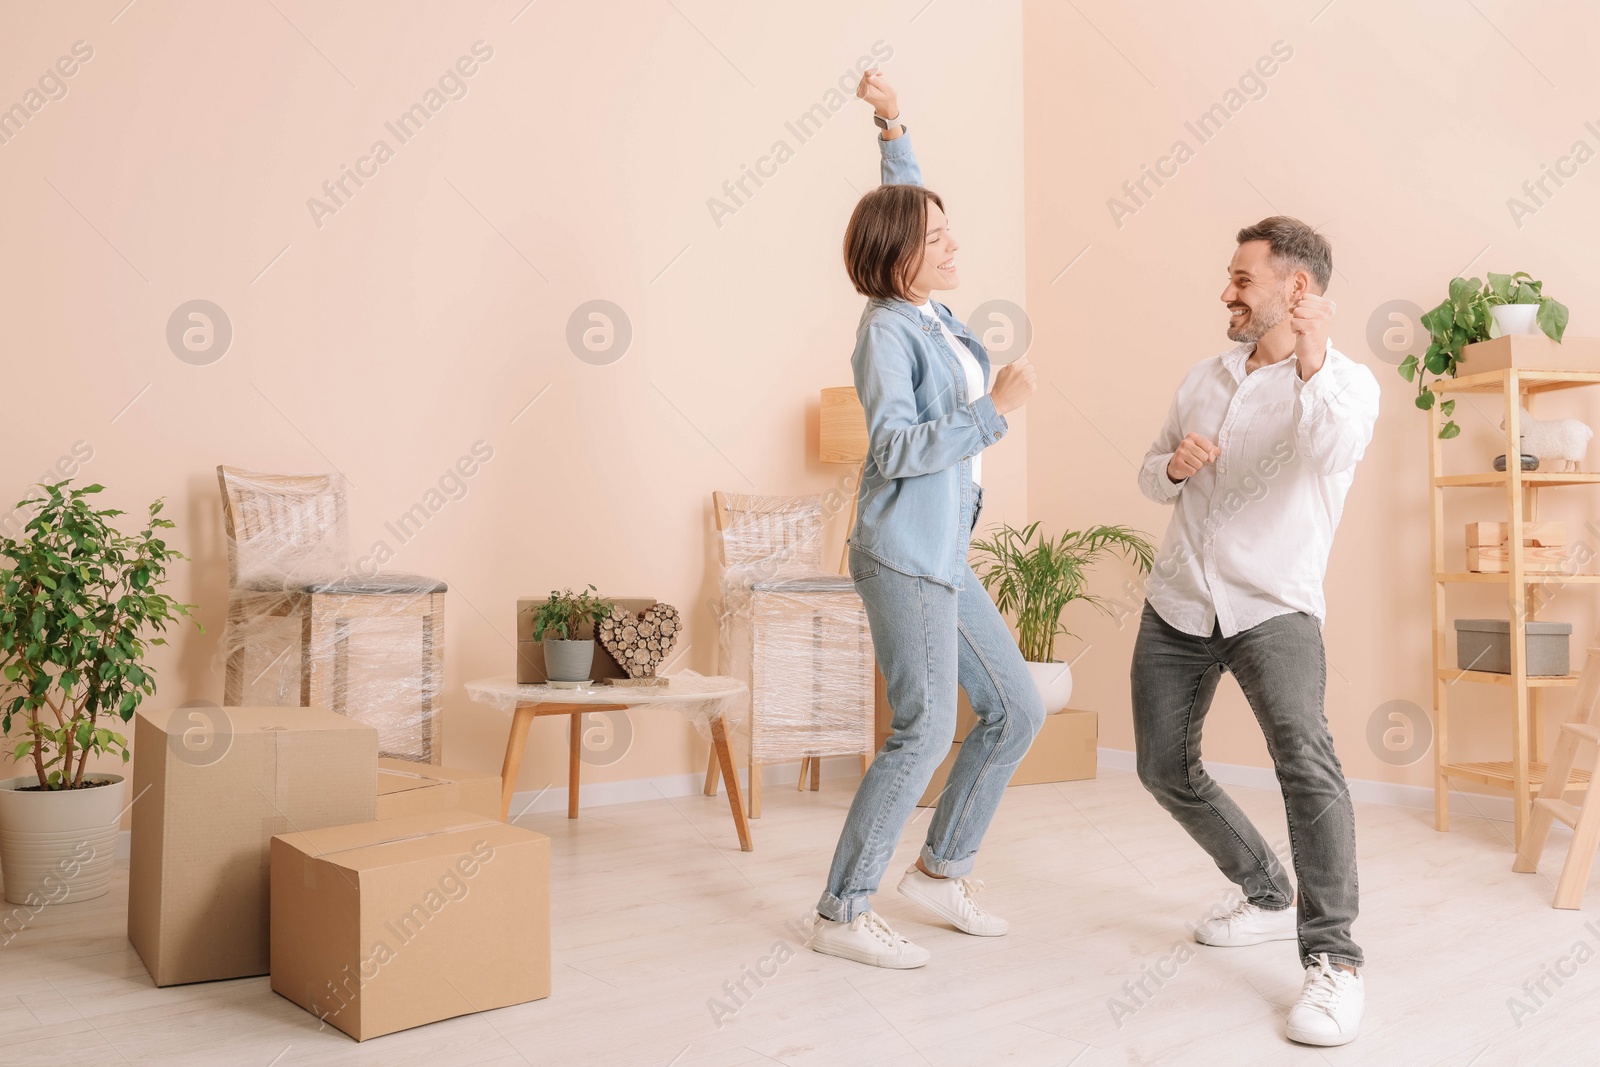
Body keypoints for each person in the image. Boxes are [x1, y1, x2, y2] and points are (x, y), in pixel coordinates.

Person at [809, 69, 1045, 970]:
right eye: (936, 238)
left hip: (943, 551)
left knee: (1016, 707)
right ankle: (840, 909)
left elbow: (900, 199)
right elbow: (898, 449)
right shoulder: (886, 332)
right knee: (922, 729)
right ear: (901, 257)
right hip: (903, 553)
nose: (953, 246)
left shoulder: (928, 311)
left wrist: (891, 123)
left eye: (949, 232)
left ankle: (941, 872)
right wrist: (999, 409)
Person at [1132, 217, 1380, 1045]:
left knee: (1306, 764)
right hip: (1179, 598)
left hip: (1272, 603)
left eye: (1243, 279)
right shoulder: (1203, 377)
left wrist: (1311, 361)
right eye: (1231, 276)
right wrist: (1172, 468)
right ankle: (1266, 890)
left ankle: (1335, 961)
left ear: (1295, 288)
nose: (1228, 292)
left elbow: (1328, 450)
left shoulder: (1346, 385)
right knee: (1163, 766)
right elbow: (1151, 465)